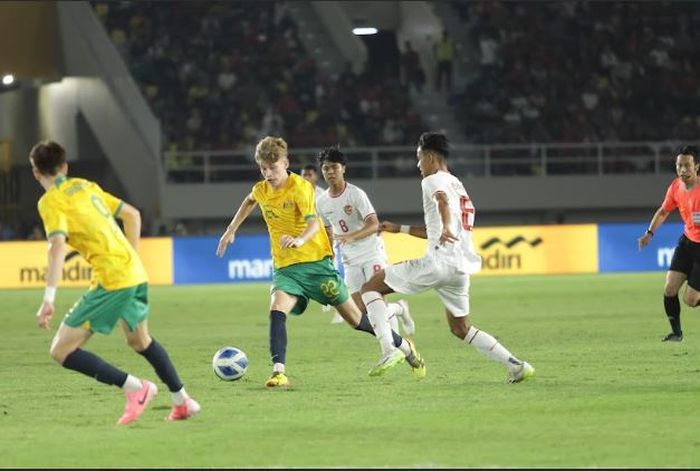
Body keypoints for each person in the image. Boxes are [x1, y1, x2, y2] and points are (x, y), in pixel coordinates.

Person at [216, 136, 425, 388]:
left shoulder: (300, 188)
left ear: (286, 163)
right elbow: (250, 200)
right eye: (263, 169)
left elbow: (314, 222)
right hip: (285, 268)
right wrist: (231, 229)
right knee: (276, 310)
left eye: (273, 168)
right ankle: (278, 372)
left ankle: (404, 346)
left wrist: (300, 240)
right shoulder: (261, 189)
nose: (268, 174)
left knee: (357, 320)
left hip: (316, 265)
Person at [29, 140, 199, 425]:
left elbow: (56, 246)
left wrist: (49, 298)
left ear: (36, 173)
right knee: (139, 339)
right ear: (65, 166)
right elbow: (132, 215)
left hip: (112, 279)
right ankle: (183, 401)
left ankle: (136, 388)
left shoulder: (50, 201)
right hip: (134, 271)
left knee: (61, 350)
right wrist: (131, 255)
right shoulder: (86, 186)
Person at [360, 132, 535, 384]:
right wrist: (401, 229)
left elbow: (441, 204)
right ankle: (516, 365)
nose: (418, 165)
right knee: (460, 328)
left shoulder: (432, 181)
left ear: (430, 157)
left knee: (370, 288)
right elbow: (437, 229)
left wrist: (446, 227)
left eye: (419, 159)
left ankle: (389, 349)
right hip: (459, 269)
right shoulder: (458, 185)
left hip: (437, 263)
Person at [316, 146, 415, 337]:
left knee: (377, 300)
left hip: (371, 253)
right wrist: (329, 255)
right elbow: (328, 232)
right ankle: (400, 308)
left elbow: (374, 224)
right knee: (359, 310)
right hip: (349, 259)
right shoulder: (321, 202)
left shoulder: (355, 194)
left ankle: (394, 346)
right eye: (326, 168)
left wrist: (352, 236)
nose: (330, 172)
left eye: (334, 167)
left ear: (343, 168)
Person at [638, 145, 700, 342]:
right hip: (687, 243)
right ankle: (677, 333)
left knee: (690, 300)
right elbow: (664, 211)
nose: (683, 170)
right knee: (669, 288)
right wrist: (649, 233)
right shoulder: (675, 187)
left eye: (687, 166)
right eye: (679, 165)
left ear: (697, 166)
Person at [301, 163, 342, 323]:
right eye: (304, 175)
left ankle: (340, 309)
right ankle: (326, 298)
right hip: (309, 242)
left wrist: (330, 244)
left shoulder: (322, 196)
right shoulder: (299, 193)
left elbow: (327, 221)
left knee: (332, 274)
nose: (306, 178)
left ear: (315, 177)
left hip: (325, 239)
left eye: (309, 175)